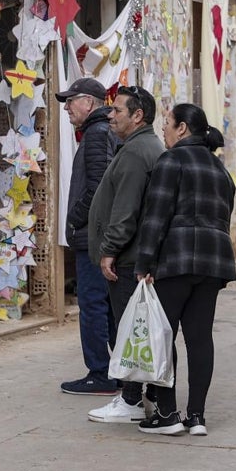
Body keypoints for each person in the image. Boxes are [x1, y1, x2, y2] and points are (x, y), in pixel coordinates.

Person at [134, 103, 236, 437]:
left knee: (163, 336)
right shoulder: (220, 170)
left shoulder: (172, 160)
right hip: (213, 263)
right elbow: (222, 217)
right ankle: (197, 417)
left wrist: (144, 262)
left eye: (167, 123)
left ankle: (166, 413)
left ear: (182, 129)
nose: (163, 129)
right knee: (199, 337)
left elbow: (156, 216)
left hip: (176, 260)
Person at [83, 84, 164, 425]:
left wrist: (109, 250)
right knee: (136, 328)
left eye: (117, 110)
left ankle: (130, 399)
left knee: (128, 330)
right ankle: (148, 397)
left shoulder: (135, 152)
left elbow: (126, 209)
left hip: (128, 257)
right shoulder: (142, 146)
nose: (110, 115)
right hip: (135, 254)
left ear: (138, 115)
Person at [55, 77, 118, 396]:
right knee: (105, 305)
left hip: (92, 236)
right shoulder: (101, 131)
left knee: (93, 304)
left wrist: (76, 219)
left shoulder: (96, 134)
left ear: (90, 103)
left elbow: (98, 186)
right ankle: (117, 371)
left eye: (71, 100)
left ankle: (100, 373)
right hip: (99, 235)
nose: (66, 107)